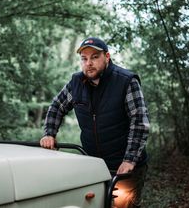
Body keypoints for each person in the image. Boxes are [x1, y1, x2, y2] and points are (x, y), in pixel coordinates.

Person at [40, 37, 150, 208]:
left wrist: (129, 160)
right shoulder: (76, 83)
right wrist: (49, 133)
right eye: (84, 58)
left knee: (121, 206)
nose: (88, 63)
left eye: (94, 57)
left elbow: (140, 122)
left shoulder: (126, 81)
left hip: (124, 167)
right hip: (93, 166)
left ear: (107, 57)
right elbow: (56, 106)